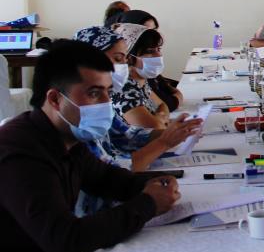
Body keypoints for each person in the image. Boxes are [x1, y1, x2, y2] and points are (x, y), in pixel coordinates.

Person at [0, 40, 178, 252]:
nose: (106, 103)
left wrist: (156, 182)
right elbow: (66, 241)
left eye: (108, 92)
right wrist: (148, 203)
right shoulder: (20, 152)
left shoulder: (66, 136)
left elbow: (105, 179)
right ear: (55, 99)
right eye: (94, 93)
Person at [72, 26, 202, 175]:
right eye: (118, 58)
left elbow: (127, 135)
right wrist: (165, 141)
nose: (125, 64)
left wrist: (177, 132)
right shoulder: (80, 115)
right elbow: (113, 170)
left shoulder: (104, 99)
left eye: (125, 58)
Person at [110, 8, 182, 112]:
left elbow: (163, 106)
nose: (159, 55)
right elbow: (168, 104)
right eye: (145, 29)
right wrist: (177, 96)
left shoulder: (143, 80)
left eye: (154, 29)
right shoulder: (125, 87)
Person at [111, 24, 172, 129]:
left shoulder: (140, 81)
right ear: (129, 57)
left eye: (158, 49)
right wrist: (160, 120)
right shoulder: (125, 90)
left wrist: (160, 117)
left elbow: (163, 105)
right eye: (150, 51)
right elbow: (156, 128)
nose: (159, 55)